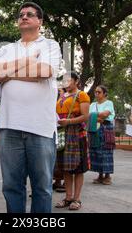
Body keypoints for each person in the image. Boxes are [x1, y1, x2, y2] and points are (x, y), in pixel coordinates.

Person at [0, 2, 61, 213]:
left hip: (41, 129)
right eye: (21, 15)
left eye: (29, 14)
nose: (24, 17)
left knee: (42, 188)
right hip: (9, 126)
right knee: (11, 186)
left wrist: (7, 74)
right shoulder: (7, 49)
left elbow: (45, 71)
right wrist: (26, 60)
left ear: (40, 22)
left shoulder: (50, 45)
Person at [54, 73, 90, 211]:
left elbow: (85, 116)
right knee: (66, 168)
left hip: (77, 134)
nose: (66, 83)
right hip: (63, 134)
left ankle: (77, 199)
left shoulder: (82, 95)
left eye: (69, 80)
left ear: (76, 81)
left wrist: (68, 121)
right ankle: (68, 197)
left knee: (78, 168)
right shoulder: (62, 96)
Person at [88, 85, 116, 185]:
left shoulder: (109, 103)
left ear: (105, 94)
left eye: (99, 92)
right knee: (96, 151)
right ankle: (100, 175)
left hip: (106, 129)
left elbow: (105, 115)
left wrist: (94, 116)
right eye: (95, 92)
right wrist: (98, 117)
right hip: (94, 129)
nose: (96, 93)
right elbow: (88, 116)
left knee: (106, 151)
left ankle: (107, 176)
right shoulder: (92, 104)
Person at [52, 87, 66, 193]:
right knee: (56, 159)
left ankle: (66, 181)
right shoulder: (55, 103)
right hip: (57, 129)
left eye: (60, 91)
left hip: (63, 130)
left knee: (63, 158)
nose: (58, 92)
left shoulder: (67, 102)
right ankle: (57, 181)